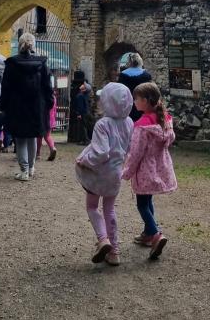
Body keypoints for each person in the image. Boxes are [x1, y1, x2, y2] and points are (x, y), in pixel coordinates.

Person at [75, 82, 133, 266]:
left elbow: (101, 153)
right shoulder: (129, 122)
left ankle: (103, 239)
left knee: (92, 207)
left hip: (98, 173)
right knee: (110, 209)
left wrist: (84, 161)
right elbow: (129, 149)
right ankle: (114, 251)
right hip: (115, 174)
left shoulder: (103, 124)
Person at [122, 81, 177, 260]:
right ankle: (147, 233)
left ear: (145, 101)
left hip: (145, 170)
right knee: (148, 200)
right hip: (159, 168)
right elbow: (170, 139)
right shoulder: (165, 119)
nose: (134, 102)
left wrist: (127, 172)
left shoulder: (141, 126)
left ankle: (155, 234)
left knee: (142, 204)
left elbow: (136, 153)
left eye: (136, 99)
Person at [0, 32, 52, 181]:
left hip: (17, 105)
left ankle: (24, 170)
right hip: (37, 105)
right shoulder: (41, 64)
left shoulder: (12, 64)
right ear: (33, 44)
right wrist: (49, 102)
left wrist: (2, 105)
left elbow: (6, 88)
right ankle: (31, 167)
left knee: (20, 138)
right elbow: (47, 86)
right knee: (32, 137)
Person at [119, 52, 152, 122]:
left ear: (129, 62)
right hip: (143, 104)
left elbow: (120, 93)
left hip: (128, 105)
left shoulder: (122, 75)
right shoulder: (146, 75)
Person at [36, 76, 58, 162]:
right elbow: (55, 110)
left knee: (39, 137)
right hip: (50, 119)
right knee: (48, 136)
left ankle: (38, 154)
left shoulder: (40, 96)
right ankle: (52, 148)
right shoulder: (53, 97)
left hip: (42, 118)